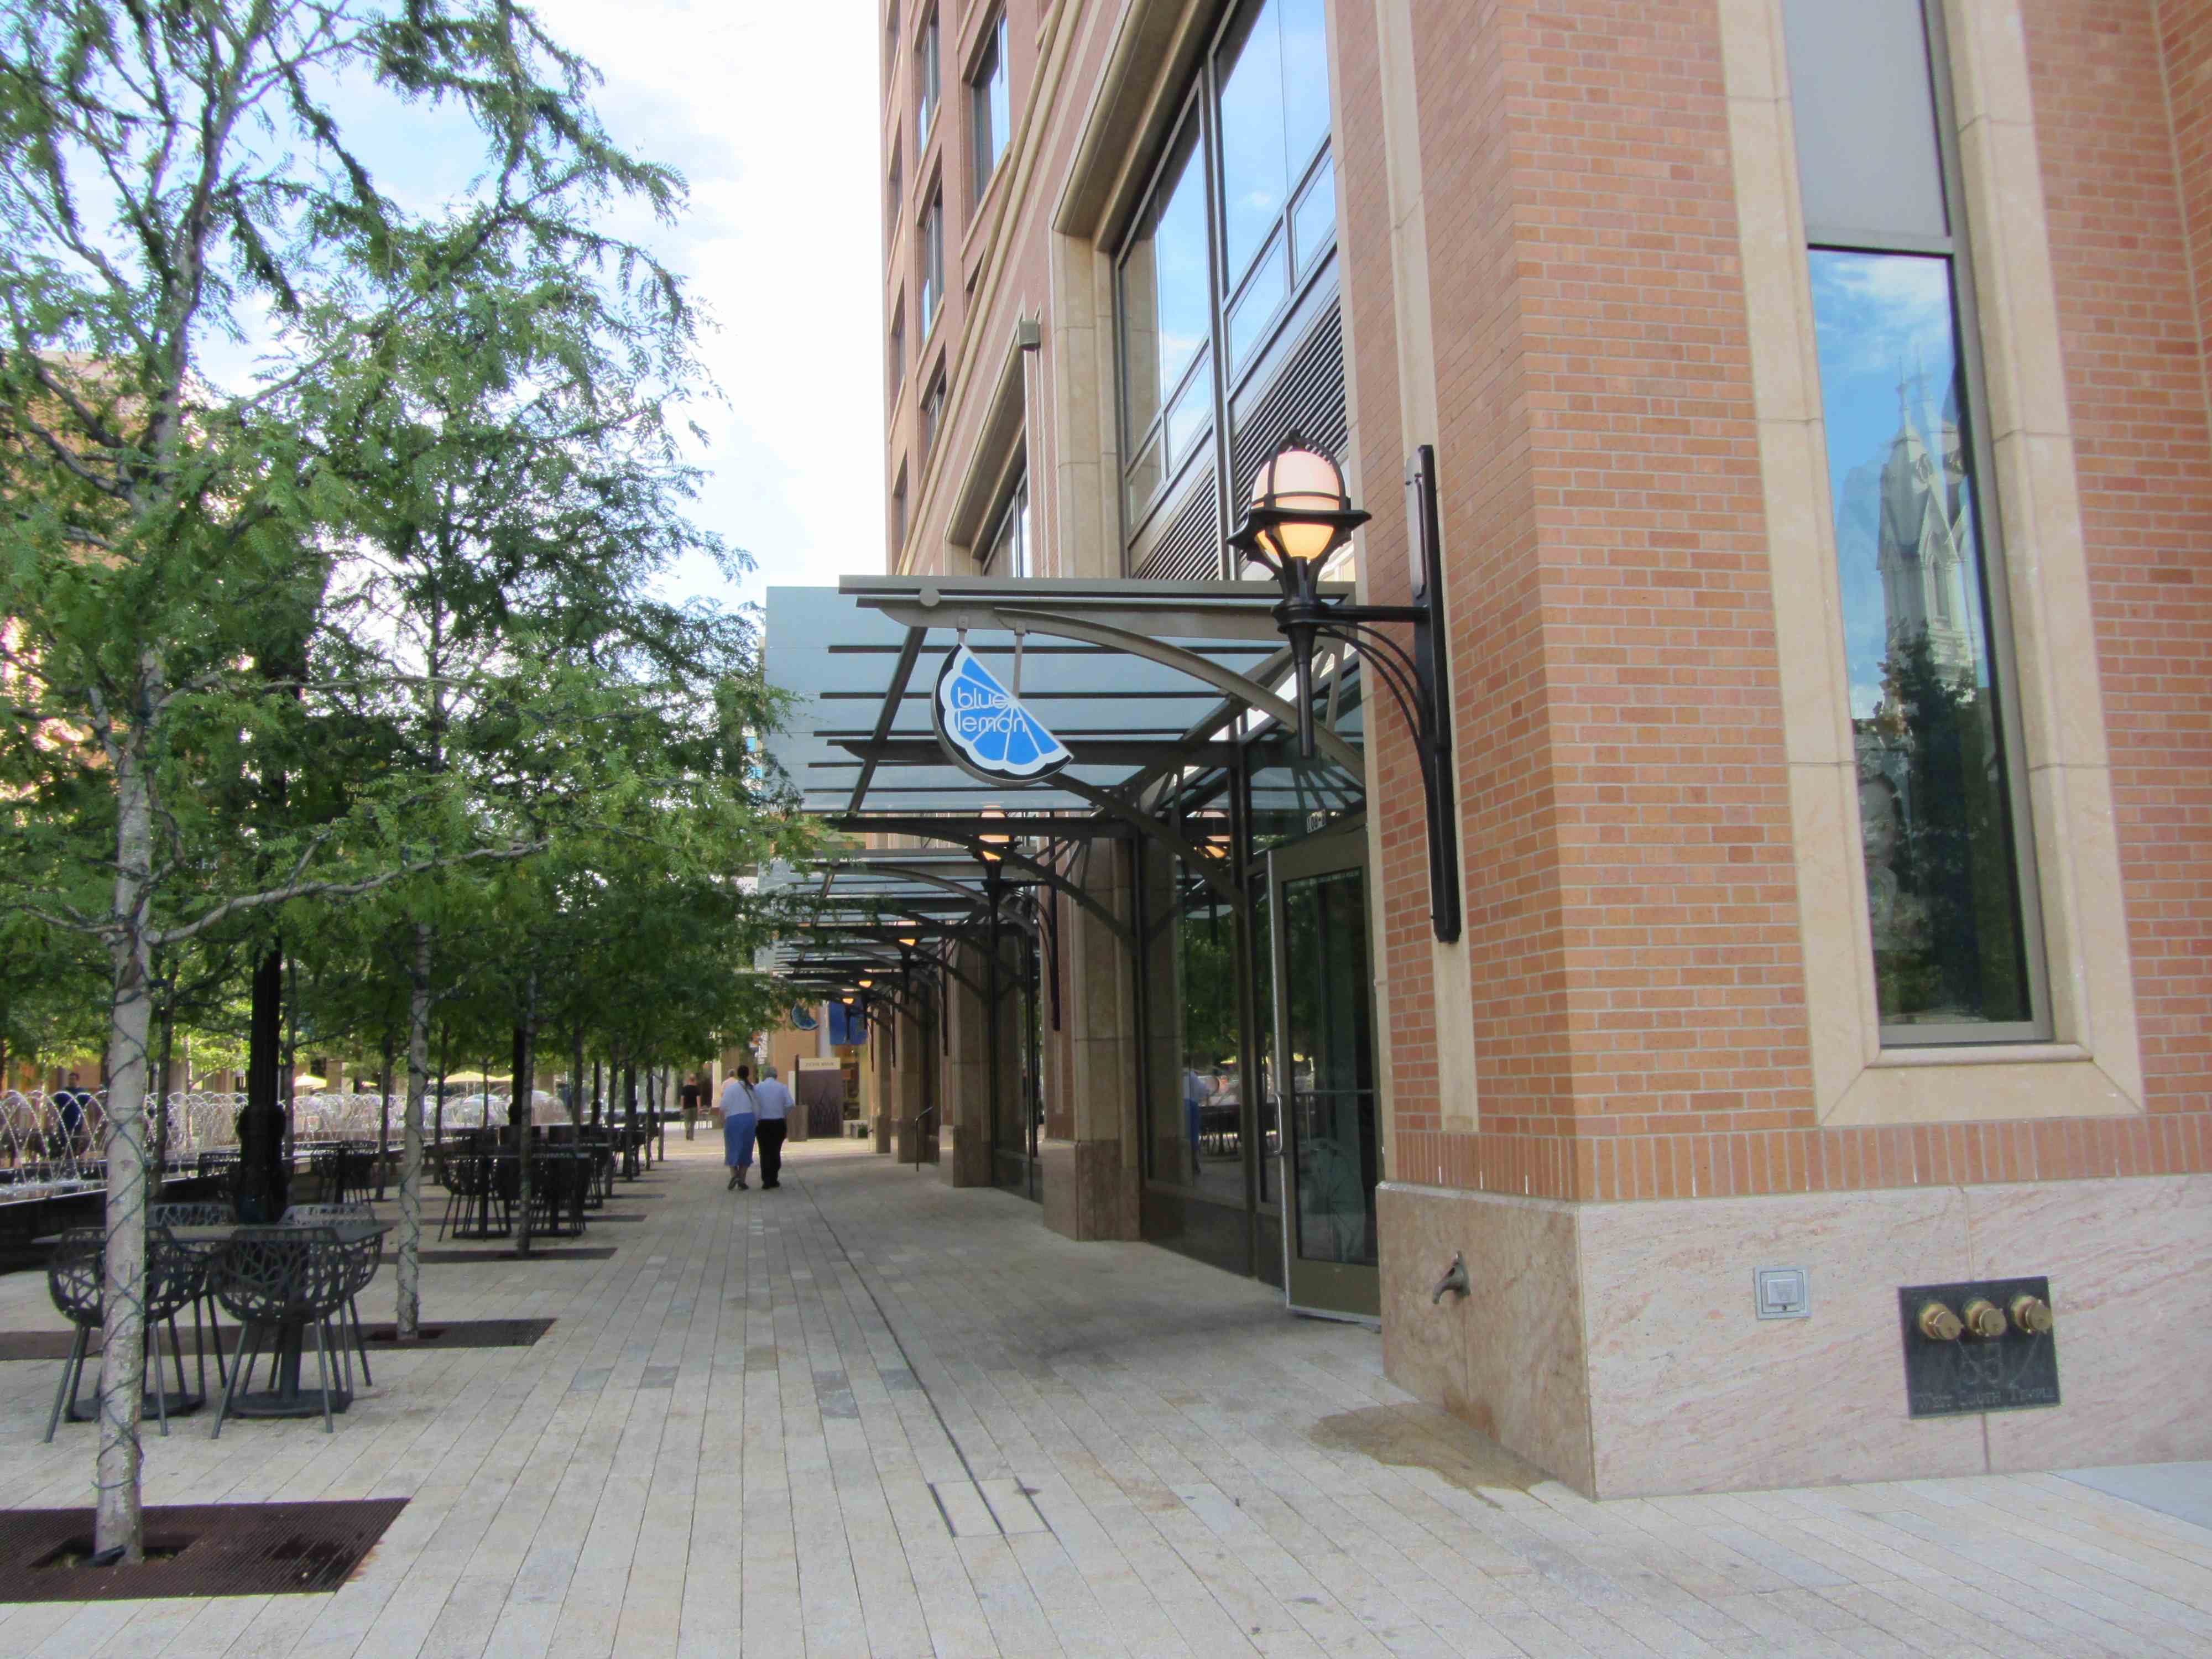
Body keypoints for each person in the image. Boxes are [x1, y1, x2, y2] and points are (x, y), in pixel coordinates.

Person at [751, 1063, 794, 1190]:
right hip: (778, 1123)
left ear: (764, 1076)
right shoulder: (782, 1087)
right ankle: (774, 1178)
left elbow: (753, 1105)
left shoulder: (757, 1088)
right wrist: (782, 1113)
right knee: (776, 1150)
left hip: (763, 1124)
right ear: (776, 1076)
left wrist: (757, 1116)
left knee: (764, 1151)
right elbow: (790, 1104)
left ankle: (766, 1180)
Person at [720, 1067, 758, 1190]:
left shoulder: (730, 1089)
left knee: (731, 1148)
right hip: (749, 1119)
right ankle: (742, 1179)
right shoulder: (752, 1088)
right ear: (748, 1074)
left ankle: (734, 1174)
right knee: (746, 1149)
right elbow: (756, 1107)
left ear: (737, 1074)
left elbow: (723, 1106)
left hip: (733, 1120)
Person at [680, 1075, 702, 1140]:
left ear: (689, 1080)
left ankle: (687, 1130)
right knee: (693, 1122)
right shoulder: (697, 1089)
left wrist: (682, 1107)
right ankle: (692, 1137)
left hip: (686, 1107)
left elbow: (682, 1098)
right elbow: (698, 1099)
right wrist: (699, 1109)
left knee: (686, 1121)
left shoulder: (685, 1088)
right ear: (695, 1080)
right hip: (694, 1108)